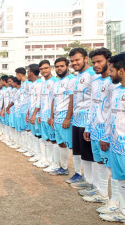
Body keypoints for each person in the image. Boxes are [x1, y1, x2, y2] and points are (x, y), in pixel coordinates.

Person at [82, 48, 117, 205]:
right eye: (93, 62)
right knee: (99, 162)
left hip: (107, 132)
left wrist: (106, 135)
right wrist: (88, 127)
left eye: (99, 61)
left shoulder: (113, 83)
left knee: (111, 167)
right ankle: (101, 193)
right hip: (94, 129)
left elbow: (111, 112)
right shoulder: (95, 81)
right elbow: (92, 105)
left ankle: (115, 203)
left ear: (108, 61)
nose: (96, 65)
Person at [99, 52, 125, 222]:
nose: (109, 74)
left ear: (121, 71)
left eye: (112, 70)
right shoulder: (116, 90)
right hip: (116, 143)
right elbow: (110, 116)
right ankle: (123, 212)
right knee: (120, 178)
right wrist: (106, 136)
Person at [69, 48, 96, 189]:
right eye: (72, 61)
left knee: (89, 153)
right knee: (80, 152)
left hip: (88, 120)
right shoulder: (77, 77)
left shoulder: (93, 74)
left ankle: (92, 182)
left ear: (85, 59)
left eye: (77, 59)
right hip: (77, 119)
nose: (74, 63)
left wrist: (91, 123)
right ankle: (86, 178)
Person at [48, 57, 75, 176]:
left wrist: (68, 118)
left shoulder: (72, 80)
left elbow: (72, 99)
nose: (59, 69)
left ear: (67, 66)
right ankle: (63, 168)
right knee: (60, 143)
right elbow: (54, 99)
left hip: (66, 117)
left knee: (71, 145)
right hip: (57, 117)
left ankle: (78, 173)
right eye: (57, 66)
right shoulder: (56, 82)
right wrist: (51, 116)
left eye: (61, 66)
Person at [36, 60, 58, 169]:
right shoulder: (43, 83)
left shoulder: (55, 82)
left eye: (46, 68)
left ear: (50, 68)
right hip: (43, 116)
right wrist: (40, 114)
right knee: (47, 139)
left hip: (51, 117)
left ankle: (55, 164)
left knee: (54, 141)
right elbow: (41, 100)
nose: (44, 70)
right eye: (41, 69)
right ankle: (48, 161)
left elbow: (56, 100)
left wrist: (52, 116)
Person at [25, 64, 43, 163]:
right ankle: (37, 154)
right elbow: (30, 101)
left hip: (37, 114)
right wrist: (28, 113)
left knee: (39, 135)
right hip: (32, 113)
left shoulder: (40, 84)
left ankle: (41, 157)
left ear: (31, 72)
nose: (27, 74)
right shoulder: (32, 84)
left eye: (28, 72)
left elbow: (39, 101)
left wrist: (34, 115)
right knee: (34, 135)